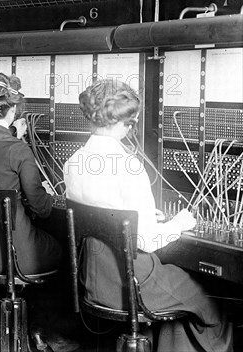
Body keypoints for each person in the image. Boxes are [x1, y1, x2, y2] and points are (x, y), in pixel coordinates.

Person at [63, 79, 233, 352]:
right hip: (134, 282)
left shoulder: (73, 162)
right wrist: (179, 223)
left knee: (180, 303)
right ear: (127, 123)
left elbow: (103, 210)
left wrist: (134, 217)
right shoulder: (129, 166)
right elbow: (148, 240)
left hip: (93, 280)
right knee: (211, 307)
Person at [0, 73, 69, 350]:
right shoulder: (18, 149)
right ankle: (43, 333)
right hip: (16, 253)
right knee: (65, 251)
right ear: (12, 110)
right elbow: (42, 208)